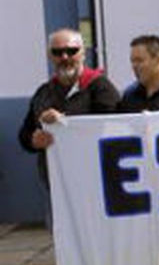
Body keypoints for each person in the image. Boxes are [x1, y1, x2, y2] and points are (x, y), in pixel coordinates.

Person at [18, 28, 121, 187]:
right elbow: (25, 133)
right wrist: (33, 140)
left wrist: (64, 122)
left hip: (96, 183)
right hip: (56, 186)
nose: (64, 57)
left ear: (83, 53)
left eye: (71, 51)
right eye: (57, 52)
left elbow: (115, 127)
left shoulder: (101, 88)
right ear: (50, 56)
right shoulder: (43, 92)